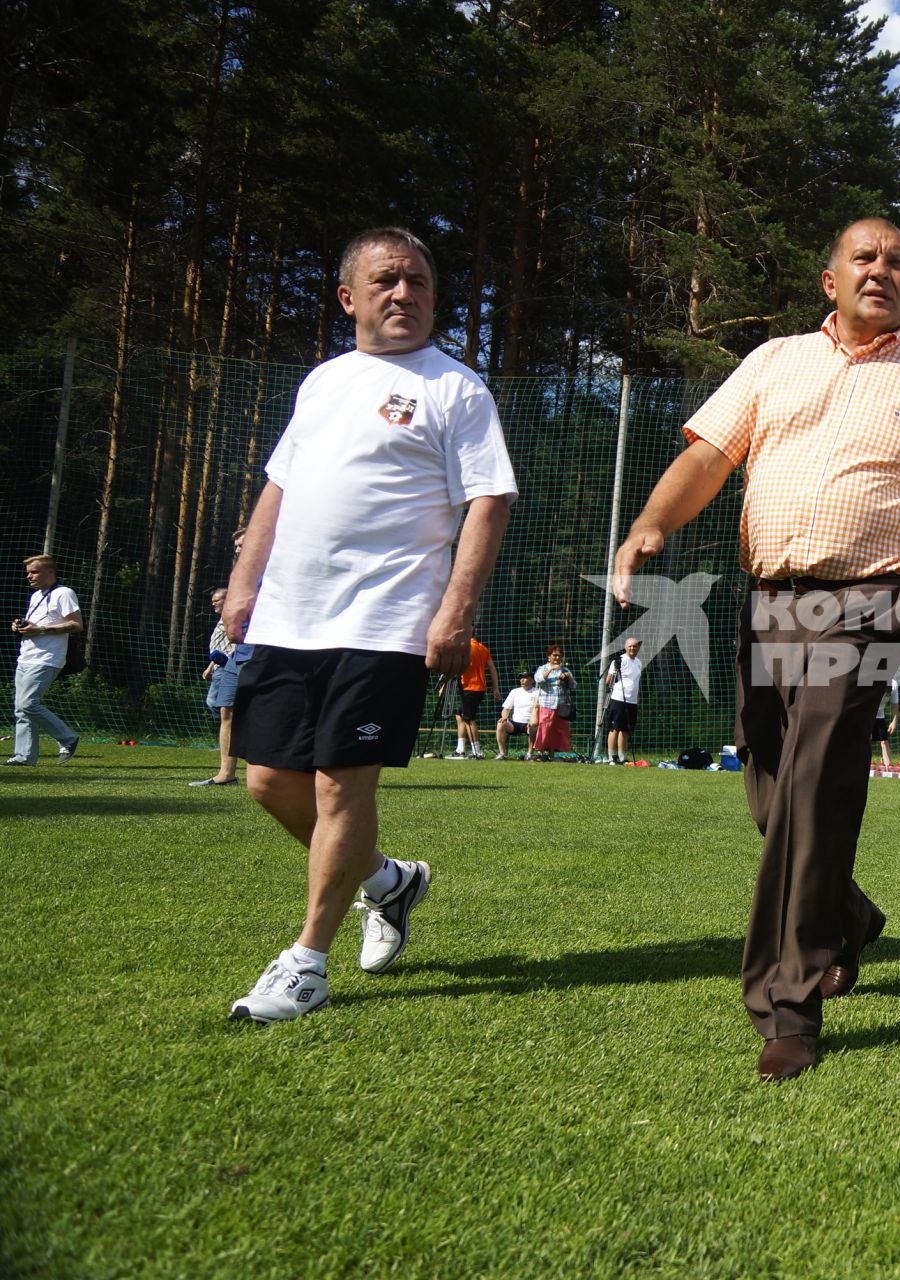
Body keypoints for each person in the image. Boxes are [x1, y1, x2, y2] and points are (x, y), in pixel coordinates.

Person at [613, 216, 900, 1081]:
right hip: (770, 599)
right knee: (772, 787)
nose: (881, 271)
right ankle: (847, 912)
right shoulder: (775, 360)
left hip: (872, 600)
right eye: (865, 258)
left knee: (815, 781)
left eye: (898, 262)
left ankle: (790, 998)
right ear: (830, 280)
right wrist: (652, 523)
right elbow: (708, 458)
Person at [222, 225, 516, 1023]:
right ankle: (388, 880)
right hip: (290, 616)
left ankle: (305, 964)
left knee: (339, 785)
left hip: (387, 620)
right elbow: (279, 486)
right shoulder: (321, 383)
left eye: (418, 283)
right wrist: (243, 584)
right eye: (387, 281)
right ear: (349, 297)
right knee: (267, 781)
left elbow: (489, 499)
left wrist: (455, 611)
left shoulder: (456, 388)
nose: (405, 295)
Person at [7, 554, 83, 766]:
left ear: (50, 572)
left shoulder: (64, 593)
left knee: (28, 703)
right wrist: (21, 626)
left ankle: (67, 737)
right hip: (26, 657)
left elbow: (76, 625)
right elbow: (38, 624)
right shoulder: (37, 596)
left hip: (47, 659)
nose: (29, 577)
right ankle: (24, 757)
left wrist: (39, 629)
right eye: (28, 573)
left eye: (34, 572)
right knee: (20, 709)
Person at [193, 587, 243, 786]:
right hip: (224, 665)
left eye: (217, 600)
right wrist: (210, 667)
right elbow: (219, 646)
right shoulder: (223, 619)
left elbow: (232, 643)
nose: (213, 603)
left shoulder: (236, 613)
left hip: (236, 662)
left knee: (221, 706)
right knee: (223, 710)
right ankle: (226, 773)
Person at [449, 635, 497, 758]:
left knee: (469, 719)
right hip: (479, 688)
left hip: (470, 687)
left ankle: (477, 752)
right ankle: (460, 750)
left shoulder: (464, 648)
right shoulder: (483, 648)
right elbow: (492, 668)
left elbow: (456, 667)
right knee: (460, 715)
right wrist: (496, 687)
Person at [603, 635, 643, 764]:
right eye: (630, 646)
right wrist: (614, 672)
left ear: (638, 648)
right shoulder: (619, 660)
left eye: (635, 646)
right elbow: (608, 681)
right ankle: (611, 756)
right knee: (614, 728)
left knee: (626, 729)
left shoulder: (638, 662)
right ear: (625, 647)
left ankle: (621, 756)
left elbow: (636, 682)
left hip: (632, 701)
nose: (632, 648)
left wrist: (637, 699)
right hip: (618, 699)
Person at [530, 644, 574, 759]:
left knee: (558, 730)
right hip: (546, 704)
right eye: (555, 655)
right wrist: (550, 669)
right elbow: (538, 680)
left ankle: (553, 754)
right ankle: (540, 752)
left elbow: (574, 686)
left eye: (560, 656)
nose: (557, 658)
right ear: (549, 656)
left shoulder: (565, 670)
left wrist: (568, 677)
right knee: (545, 729)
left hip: (561, 706)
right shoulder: (542, 668)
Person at [496, 671, 538, 758]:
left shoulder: (537, 692)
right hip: (514, 723)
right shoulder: (514, 692)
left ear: (532, 680)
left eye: (525, 678)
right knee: (500, 724)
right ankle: (502, 754)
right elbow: (506, 708)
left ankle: (529, 754)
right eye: (521, 678)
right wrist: (504, 717)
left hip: (529, 723)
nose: (522, 680)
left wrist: (533, 720)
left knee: (533, 727)